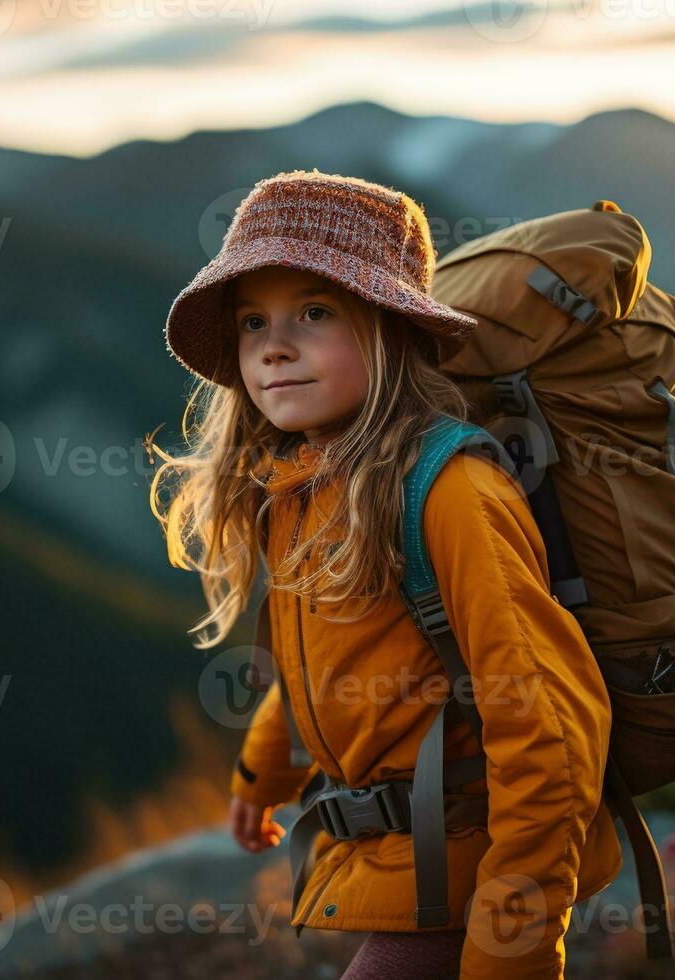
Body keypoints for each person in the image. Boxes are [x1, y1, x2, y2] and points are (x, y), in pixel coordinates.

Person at [151, 170, 621, 979]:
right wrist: (267, 769)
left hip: (473, 864)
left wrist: (514, 946)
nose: (273, 345)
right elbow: (330, 658)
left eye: (315, 311)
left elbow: (548, 730)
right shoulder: (299, 485)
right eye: (253, 321)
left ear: (391, 327)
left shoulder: (452, 493)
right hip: (404, 858)